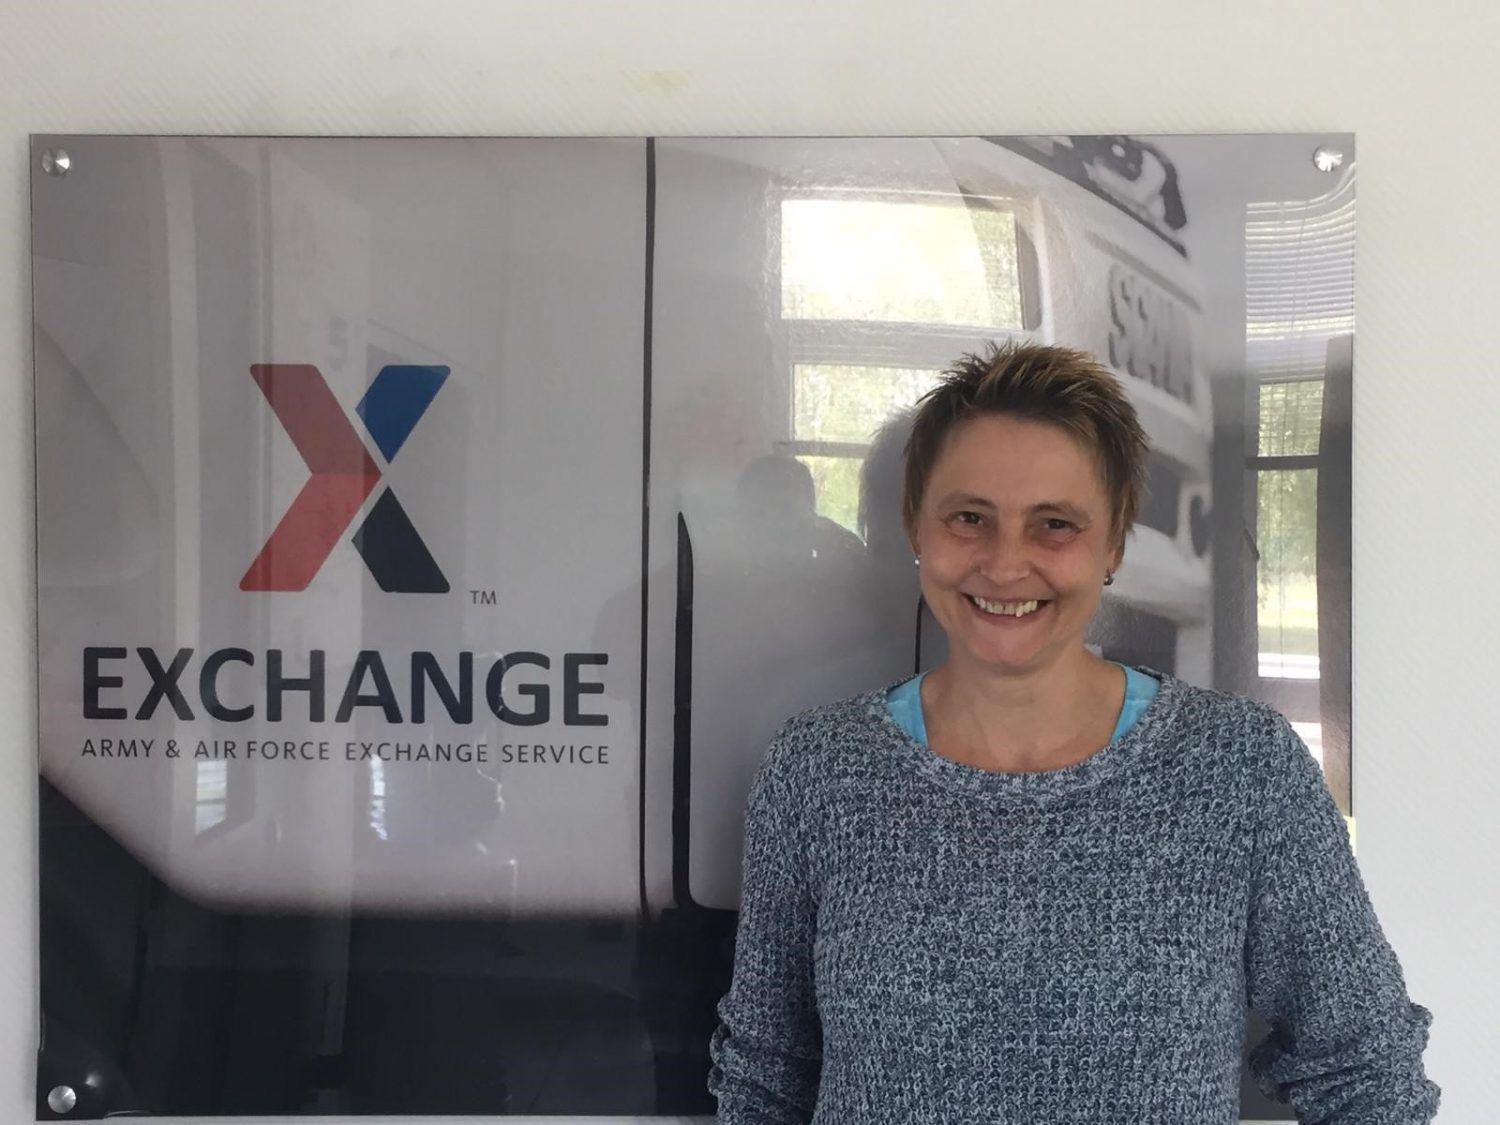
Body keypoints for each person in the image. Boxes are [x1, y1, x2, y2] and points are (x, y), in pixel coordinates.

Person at [707, 342, 1438, 1124]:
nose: (1006, 561)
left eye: (1054, 524)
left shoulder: (1241, 771)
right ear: (916, 527)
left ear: (1114, 542)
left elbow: (1369, 1074)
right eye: (969, 518)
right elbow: (766, 1079)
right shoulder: (817, 771)